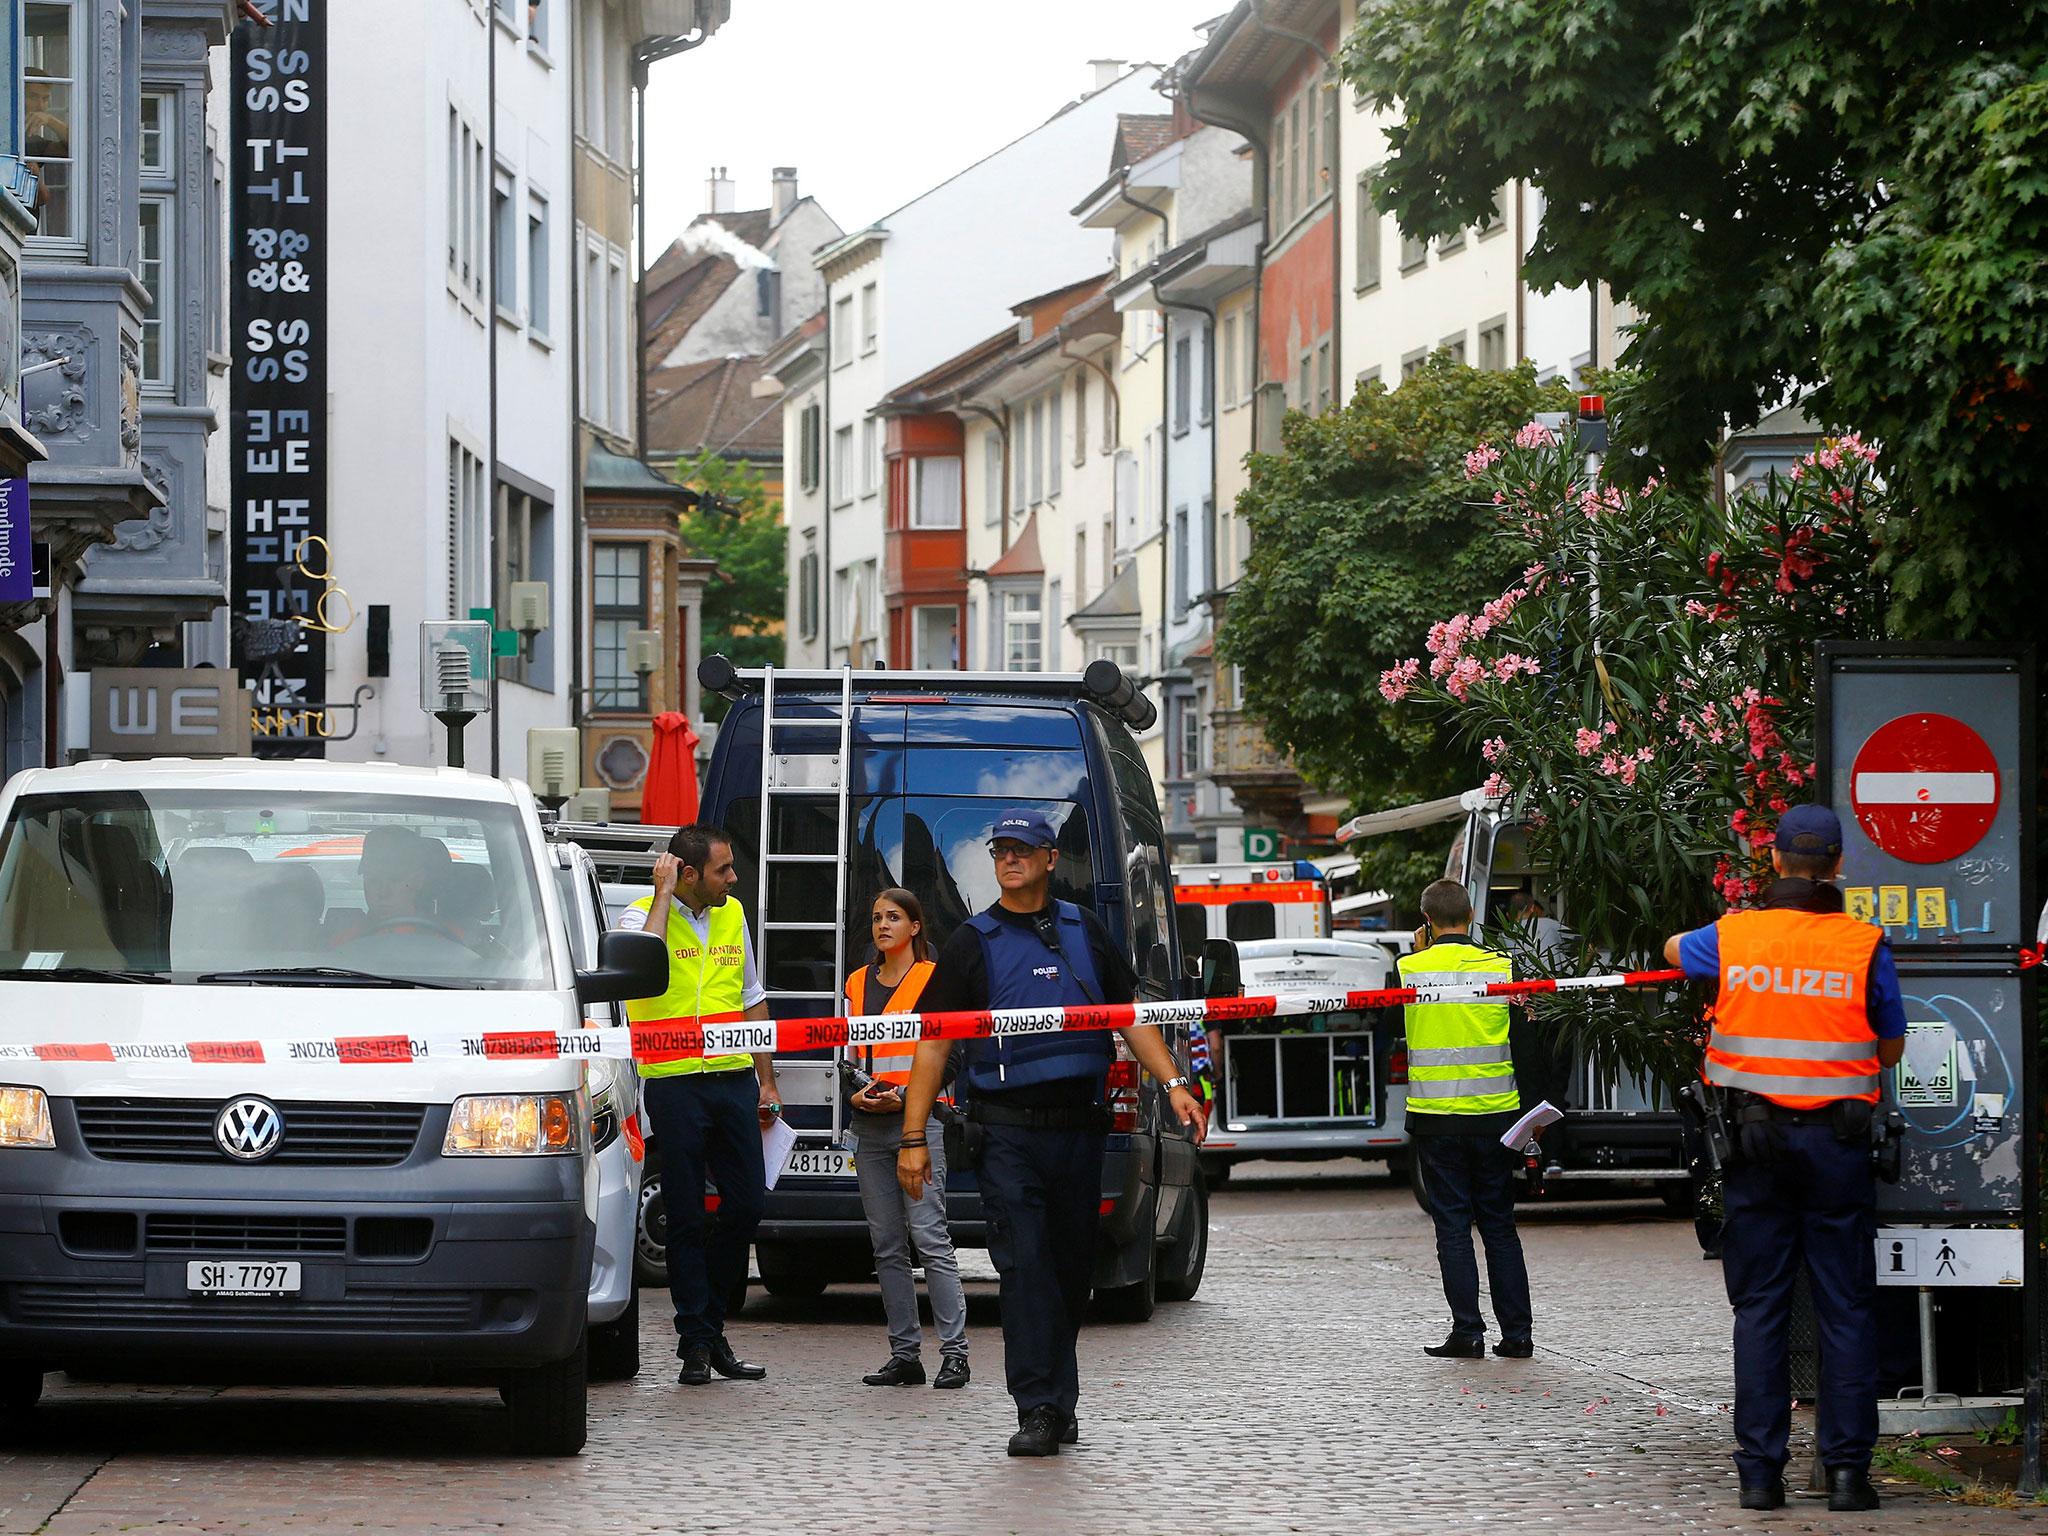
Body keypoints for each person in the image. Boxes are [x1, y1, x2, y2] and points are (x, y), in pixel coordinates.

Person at [896, 808, 1208, 1457]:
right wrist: (912, 1136)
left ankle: (1058, 1403)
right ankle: (1037, 1405)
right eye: (1000, 849)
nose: (1009, 859)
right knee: (1027, 1270)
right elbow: (932, 1044)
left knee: (1069, 1276)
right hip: (1006, 1134)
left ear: (1046, 860)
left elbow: (1131, 1018)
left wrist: (1176, 1085)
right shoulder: (970, 943)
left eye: (1022, 849)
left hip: (1080, 1132)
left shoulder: (1084, 930)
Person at [1662, 803, 1907, 1513]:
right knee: (1846, 1307)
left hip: (1753, 1144)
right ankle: (1847, 1476)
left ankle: (1760, 1476)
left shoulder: (1735, 936)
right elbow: (1889, 1046)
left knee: (1761, 1307)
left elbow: (1676, 949)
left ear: (1772, 863)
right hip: (1838, 1144)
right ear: (1835, 866)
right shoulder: (1863, 944)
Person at [620, 823, 780, 1388]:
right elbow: (641, 973)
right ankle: (697, 1342)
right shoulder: (639, 915)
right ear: (687, 873)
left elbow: (751, 998)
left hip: (734, 1078)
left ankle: (710, 1329)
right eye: (723, 870)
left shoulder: (733, 914)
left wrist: (767, 1079)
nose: (733, 879)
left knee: (746, 1205)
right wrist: (662, 896)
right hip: (674, 1083)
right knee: (685, 1214)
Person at [1399, 878, 1534, 1361]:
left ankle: (1468, 1332)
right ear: (1472, 915)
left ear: (1427, 920)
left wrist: (1422, 949)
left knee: (1452, 1227)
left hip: (1437, 1118)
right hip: (1495, 1115)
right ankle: (1518, 1335)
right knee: (1500, 1225)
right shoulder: (1502, 966)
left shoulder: (1408, 967)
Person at [843, 888, 969, 1390]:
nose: (882, 926)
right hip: (870, 1125)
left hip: (919, 1124)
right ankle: (905, 1355)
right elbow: (847, 1054)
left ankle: (955, 1354)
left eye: (893, 917)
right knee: (887, 1246)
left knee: (931, 1239)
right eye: (875, 918)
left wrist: (907, 1098)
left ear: (915, 927)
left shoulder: (935, 980)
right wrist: (857, 1094)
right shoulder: (856, 982)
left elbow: (951, 1058)